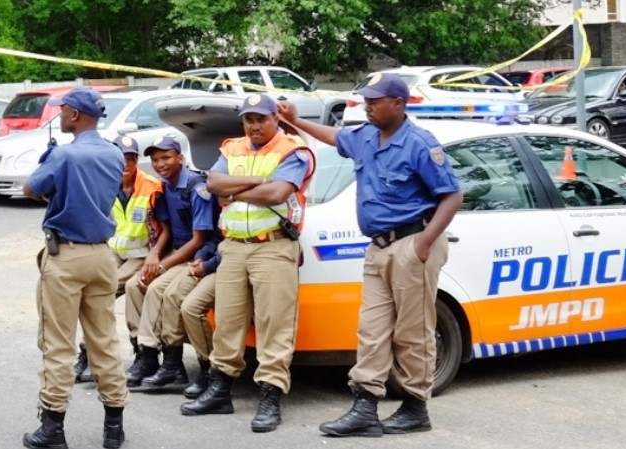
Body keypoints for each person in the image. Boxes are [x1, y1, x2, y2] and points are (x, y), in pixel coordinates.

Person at [278, 73, 462, 437]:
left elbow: (452, 196)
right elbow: (336, 137)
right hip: (378, 247)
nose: (368, 105)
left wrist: (422, 245)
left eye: (375, 100)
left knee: (413, 332)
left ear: (399, 103)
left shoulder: (419, 143)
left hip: (412, 244)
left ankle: (414, 406)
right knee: (372, 330)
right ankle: (365, 405)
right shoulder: (366, 135)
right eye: (366, 99)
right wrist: (295, 120)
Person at [180, 93, 314, 434]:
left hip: (273, 245)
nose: (254, 125)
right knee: (227, 321)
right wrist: (258, 182)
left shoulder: (293, 149)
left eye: (261, 119)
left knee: (274, 324)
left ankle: (270, 395)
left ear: (276, 119)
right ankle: (220, 389)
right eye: (248, 119)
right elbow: (213, 183)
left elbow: (276, 194)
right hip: (233, 246)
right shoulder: (232, 148)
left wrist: (234, 191)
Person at [22, 86, 129, 449]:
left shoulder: (65, 155)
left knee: (59, 345)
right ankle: (114, 425)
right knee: (104, 340)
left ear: (74, 115)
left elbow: (30, 189)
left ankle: (53, 426)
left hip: (67, 256)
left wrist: (49, 165)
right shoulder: (115, 155)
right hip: (103, 255)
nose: (61, 116)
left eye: (64, 110)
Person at [123, 136, 216, 388]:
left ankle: (167, 359)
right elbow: (166, 229)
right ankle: (147, 355)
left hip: (198, 254)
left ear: (180, 158)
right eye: (155, 159)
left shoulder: (196, 187)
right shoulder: (165, 187)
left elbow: (198, 240)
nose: (160, 163)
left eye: (166, 157)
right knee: (135, 285)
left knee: (156, 289)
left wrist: (163, 265)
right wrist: (154, 255)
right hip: (175, 251)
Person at [74, 135, 167, 384]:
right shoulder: (102, 183)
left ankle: (140, 353)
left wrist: (155, 253)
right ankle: (91, 353)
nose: (126, 163)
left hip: (142, 253)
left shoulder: (151, 186)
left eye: (130, 157)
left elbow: (166, 227)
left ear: (136, 160)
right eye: (121, 158)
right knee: (91, 290)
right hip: (114, 251)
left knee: (108, 288)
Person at [140, 229, 222, 396]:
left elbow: (232, 250)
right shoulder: (229, 208)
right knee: (169, 294)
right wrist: (201, 257)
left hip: (227, 264)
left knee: (190, 307)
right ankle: (171, 361)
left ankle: (211, 372)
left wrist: (206, 265)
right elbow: (217, 237)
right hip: (211, 259)